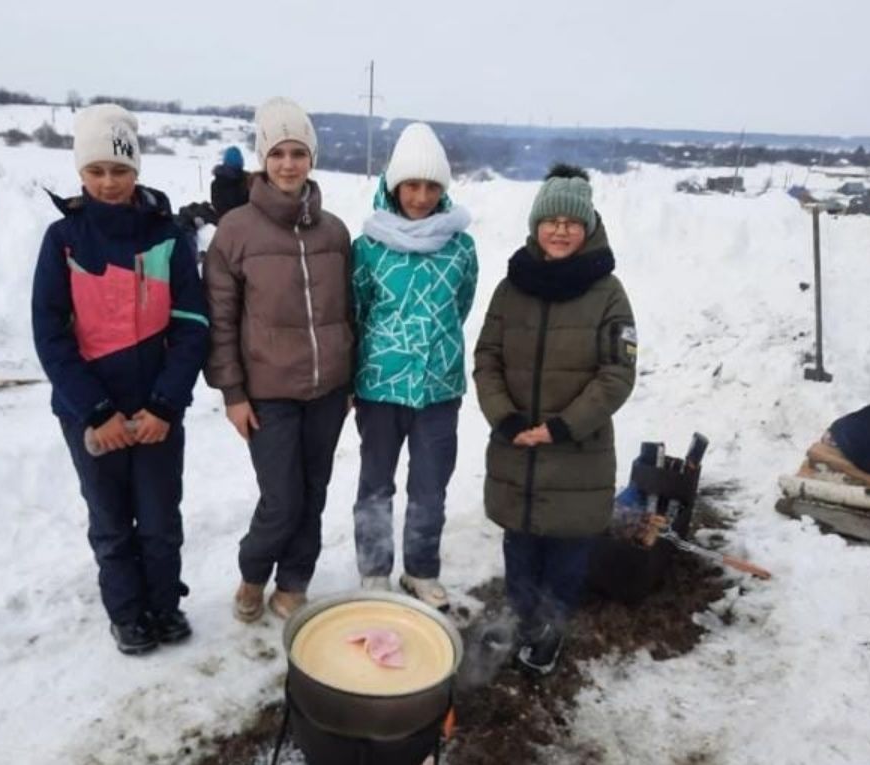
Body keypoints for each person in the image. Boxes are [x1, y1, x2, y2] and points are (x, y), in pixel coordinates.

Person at [32, 104, 210, 655]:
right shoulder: (63, 239)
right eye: (96, 171)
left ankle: (163, 605)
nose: (109, 182)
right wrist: (96, 412)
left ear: (137, 171)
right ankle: (127, 614)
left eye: (119, 169)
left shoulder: (169, 236)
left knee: (159, 519)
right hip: (92, 414)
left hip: (156, 410)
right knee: (111, 521)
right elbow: (50, 334)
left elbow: (191, 323)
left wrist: (165, 406)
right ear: (81, 174)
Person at [473, 164, 637, 675]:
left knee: (567, 550)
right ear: (535, 225)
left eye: (572, 220)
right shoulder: (511, 287)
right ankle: (523, 617)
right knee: (519, 542)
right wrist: (504, 417)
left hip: (576, 451)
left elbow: (617, 372)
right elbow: (487, 359)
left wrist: (563, 426)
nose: (561, 229)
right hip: (516, 446)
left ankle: (550, 629)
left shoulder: (608, 292)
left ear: (587, 226)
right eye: (552, 220)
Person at [204, 97, 353, 623]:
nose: (288, 164)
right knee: (281, 497)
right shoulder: (235, 231)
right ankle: (253, 572)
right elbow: (220, 321)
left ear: (311, 158)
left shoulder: (334, 232)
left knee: (313, 493)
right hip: (268, 392)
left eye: (298, 153)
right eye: (277, 153)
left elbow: (348, 313)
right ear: (262, 160)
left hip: (329, 390)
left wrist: (349, 378)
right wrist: (233, 394)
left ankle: (294, 583)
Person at [350, 122, 478, 610]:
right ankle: (375, 570)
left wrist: (433, 349)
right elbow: (358, 309)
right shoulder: (368, 247)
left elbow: (460, 307)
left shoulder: (461, 247)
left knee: (430, 487)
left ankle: (421, 571)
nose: (421, 197)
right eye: (411, 185)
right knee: (375, 484)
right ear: (393, 186)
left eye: (431, 187)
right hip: (380, 387)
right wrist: (386, 355)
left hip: (439, 389)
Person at [210, 146, 250, 221]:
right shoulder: (248, 179)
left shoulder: (216, 183)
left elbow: (218, 208)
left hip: (227, 223)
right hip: (241, 222)